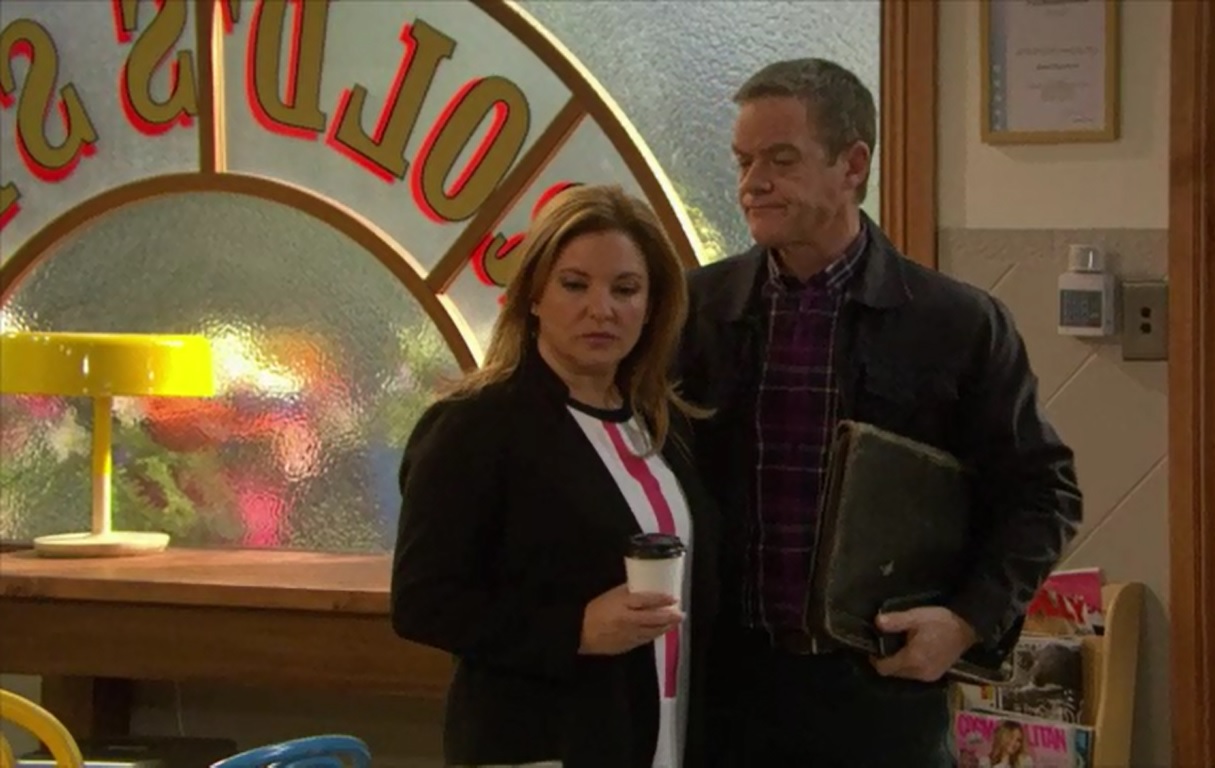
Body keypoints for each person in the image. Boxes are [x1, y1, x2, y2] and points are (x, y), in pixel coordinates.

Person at [676, 58, 1083, 767]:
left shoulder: (956, 323)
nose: (752, 183)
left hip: (879, 690)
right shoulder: (690, 311)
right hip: (721, 691)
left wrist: (966, 622)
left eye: (781, 159)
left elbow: (1042, 494)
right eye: (743, 161)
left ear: (853, 164)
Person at [391, 184, 717, 768]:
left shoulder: (664, 425)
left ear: (652, 306)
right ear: (534, 295)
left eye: (625, 289)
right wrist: (574, 630)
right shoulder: (475, 425)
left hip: (662, 735)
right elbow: (421, 602)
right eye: (575, 284)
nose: (602, 309)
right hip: (539, 743)